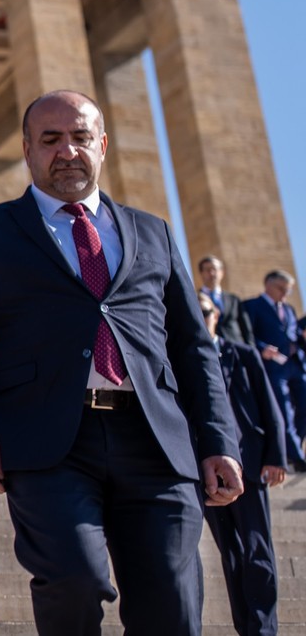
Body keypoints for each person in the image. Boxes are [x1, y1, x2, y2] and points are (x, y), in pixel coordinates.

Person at [0, 89, 242, 636]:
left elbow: (193, 347)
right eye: (51, 140)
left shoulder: (153, 231)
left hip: (154, 440)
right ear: (28, 151)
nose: (67, 151)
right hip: (51, 443)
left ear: (102, 146)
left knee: (171, 605)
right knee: (74, 580)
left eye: (80, 138)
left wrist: (219, 440)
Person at [198, 292, 286, 636]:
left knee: (257, 548)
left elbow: (269, 405)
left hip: (248, 464)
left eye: (205, 311)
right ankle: (246, 627)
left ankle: (265, 629)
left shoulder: (244, 354)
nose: (201, 317)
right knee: (231, 554)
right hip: (207, 472)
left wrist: (276, 457)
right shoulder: (181, 357)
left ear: (217, 315)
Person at [243, 270, 305, 470]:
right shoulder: (251, 306)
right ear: (268, 284)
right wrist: (262, 349)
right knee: (284, 412)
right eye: (282, 289)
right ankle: (296, 456)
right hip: (272, 368)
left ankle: (292, 448)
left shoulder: (289, 309)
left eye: (288, 290)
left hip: (295, 366)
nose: (285, 294)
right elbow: (247, 335)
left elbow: (293, 334)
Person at [198, 255, 255, 346]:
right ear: (201, 273)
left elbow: (245, 328)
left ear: (221, 272)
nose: (212, 273)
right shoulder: (194, 299)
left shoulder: (233, 299)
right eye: (208, 270)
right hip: (209, 347)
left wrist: (251, 349)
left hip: (236, 348)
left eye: (214, 269)